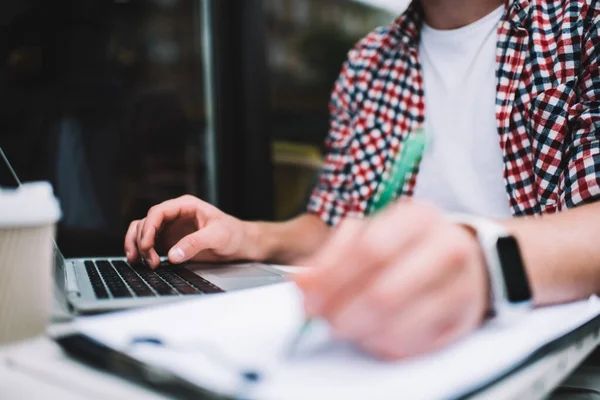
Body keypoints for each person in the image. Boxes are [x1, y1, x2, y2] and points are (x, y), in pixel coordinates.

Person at [124, 0, 600, 366]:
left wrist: (481, 263)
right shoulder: (367, 63)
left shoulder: (580, 22)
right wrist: (246, 236)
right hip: (383, 359)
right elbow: (333, 224)